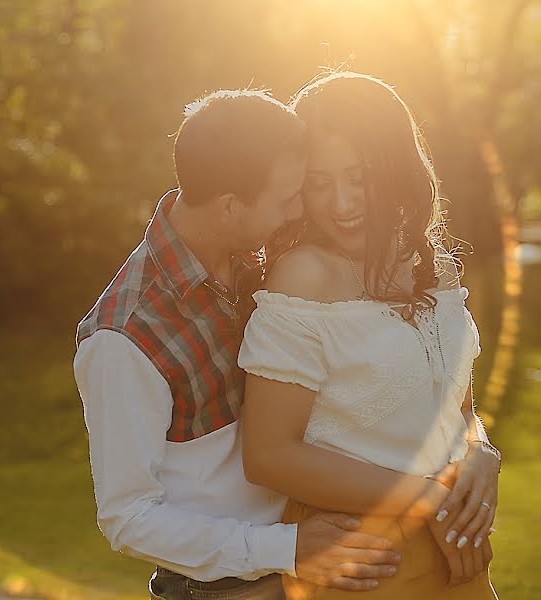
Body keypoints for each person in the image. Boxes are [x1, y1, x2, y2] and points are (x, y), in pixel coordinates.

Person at [73, 89, 408, 600]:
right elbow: (127, 517)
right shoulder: (125, 338)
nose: (301, 209)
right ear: (231, 206)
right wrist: (286, 547)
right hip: (226, 589)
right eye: (288, 197)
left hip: (310, 567)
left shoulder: (257, 264)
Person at [239, 71, 501, 599]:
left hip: (457, 552)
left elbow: (457, 408)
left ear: (395, 166)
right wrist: (425, 497)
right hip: (363, 558)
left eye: (358, 176)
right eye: (319, 182)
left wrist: (483, 454)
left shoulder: (436, 267)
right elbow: (267, 455)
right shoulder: (301, 278)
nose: (342, 203)